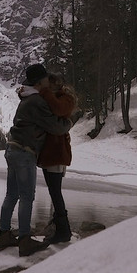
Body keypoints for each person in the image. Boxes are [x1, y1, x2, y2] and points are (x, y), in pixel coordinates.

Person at [0, 63, 72, 257]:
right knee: (27, 197)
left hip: (11, 149)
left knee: (11, 195)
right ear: (40, 82)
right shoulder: (36, 102)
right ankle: (24, 240)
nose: (50, 80)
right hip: (25, 152)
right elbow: (55, 127)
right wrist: (69, 122)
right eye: (47, 78)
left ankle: (4, 235)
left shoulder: (26, 98)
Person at [36, 74, 77, 243]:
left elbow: (58, 110)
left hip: (56, 154)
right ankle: (59, 227)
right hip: (52, 154)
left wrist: (45, 92)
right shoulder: (56, 99)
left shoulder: (64, 99)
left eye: (46, 85)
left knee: (55, 192)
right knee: (54, 191)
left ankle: (63, 230)